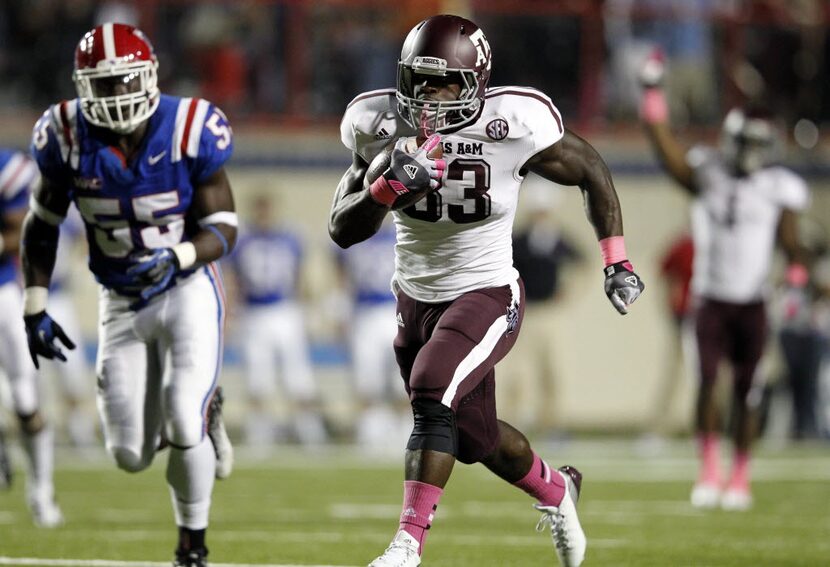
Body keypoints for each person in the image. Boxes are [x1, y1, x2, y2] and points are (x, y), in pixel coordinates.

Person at [330, 14, 645, 567]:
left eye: (443, 82)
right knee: (473, 438)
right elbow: (343, 228)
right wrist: (385, 189)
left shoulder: (515, 122)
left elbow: (591, 169)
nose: (428, 97)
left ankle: (407, 545)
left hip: (489, 292)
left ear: (476, 80)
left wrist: (615, 260)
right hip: (415, 298)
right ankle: (557, 489)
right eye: (418, 81)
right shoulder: (376, 121)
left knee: (432, 390)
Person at [21, 23, 235, 566]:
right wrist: (35, 304)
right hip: (118, 300)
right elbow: (41, 225)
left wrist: (180, 255)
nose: (115, 95)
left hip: (185, 287)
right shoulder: (64, 135)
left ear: (148, 76)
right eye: (103, 84)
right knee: (129, 455)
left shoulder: (189, 125)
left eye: (124, 81)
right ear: (82, 86)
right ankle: (205, 417)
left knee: (183, 419)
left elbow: (224, 226)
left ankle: (192, 544)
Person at [639, 51, 811, 510]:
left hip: (753, 300)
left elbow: (791, 242)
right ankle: (709, 471)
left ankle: (740, 476)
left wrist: (796, 278)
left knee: (748, 392)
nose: (751, 155)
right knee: (706, 384)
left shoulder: (779, 186)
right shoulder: (708, 172)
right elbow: (666, 151)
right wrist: (652, 94)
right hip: (710, 299)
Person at [224, 194, 327, 447]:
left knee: (298, 376)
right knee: (258, 378)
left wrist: (309, 308)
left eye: (267, 209)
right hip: (253, 313)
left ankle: (310, 434)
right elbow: (232, 280)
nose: (264, 215)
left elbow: (301, 276)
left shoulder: (291, 236)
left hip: (285, 310)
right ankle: (260, 435)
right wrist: (229, 313)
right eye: (260, 209)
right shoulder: (242, 240)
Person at [0, 148, 63, 527]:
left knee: (26, 400)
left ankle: (41, 490)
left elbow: (20, 230)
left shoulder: (9, 169)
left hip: (4, 295)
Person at [498, 187, 583, 437]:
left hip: (550, 313)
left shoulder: (557, 240)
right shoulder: (519, 239)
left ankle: (552, 424)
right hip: (524, 312)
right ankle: (509, 423)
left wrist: (568, 292)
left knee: (552, 370)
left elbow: (582, 264)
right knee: (516, 371)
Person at [334, 220, 409, 449]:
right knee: (368, 381)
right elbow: (342, 278)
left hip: (395, 309)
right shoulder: (350, 237)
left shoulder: (402, 234)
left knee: (403, 379)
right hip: (363, 313)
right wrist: (340, 311)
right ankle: (373, 434)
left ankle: (405, 433)